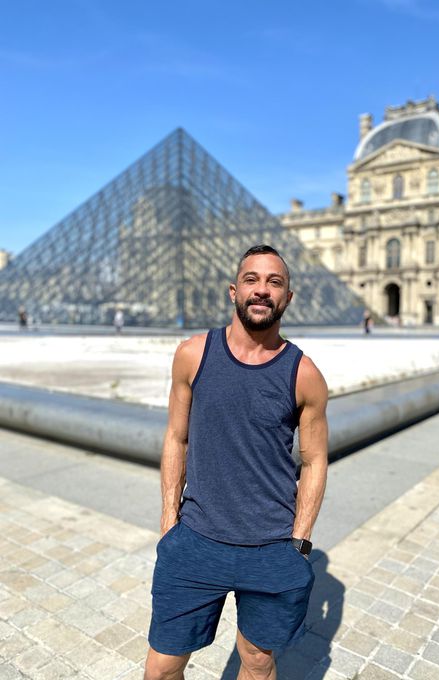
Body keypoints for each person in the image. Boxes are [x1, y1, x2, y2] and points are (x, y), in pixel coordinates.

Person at [144, 244, 329, 680]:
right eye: (252, 279)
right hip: (195, 538)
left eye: (274, 282)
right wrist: (169, 521)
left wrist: (300, 543)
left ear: (287, 297)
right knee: (161, 668)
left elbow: (315, 461)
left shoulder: (305, 374)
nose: (262, 290)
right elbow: (176, 437)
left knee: (258, 663)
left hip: (272, 546)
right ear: (234, 291)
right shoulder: (192, 354)